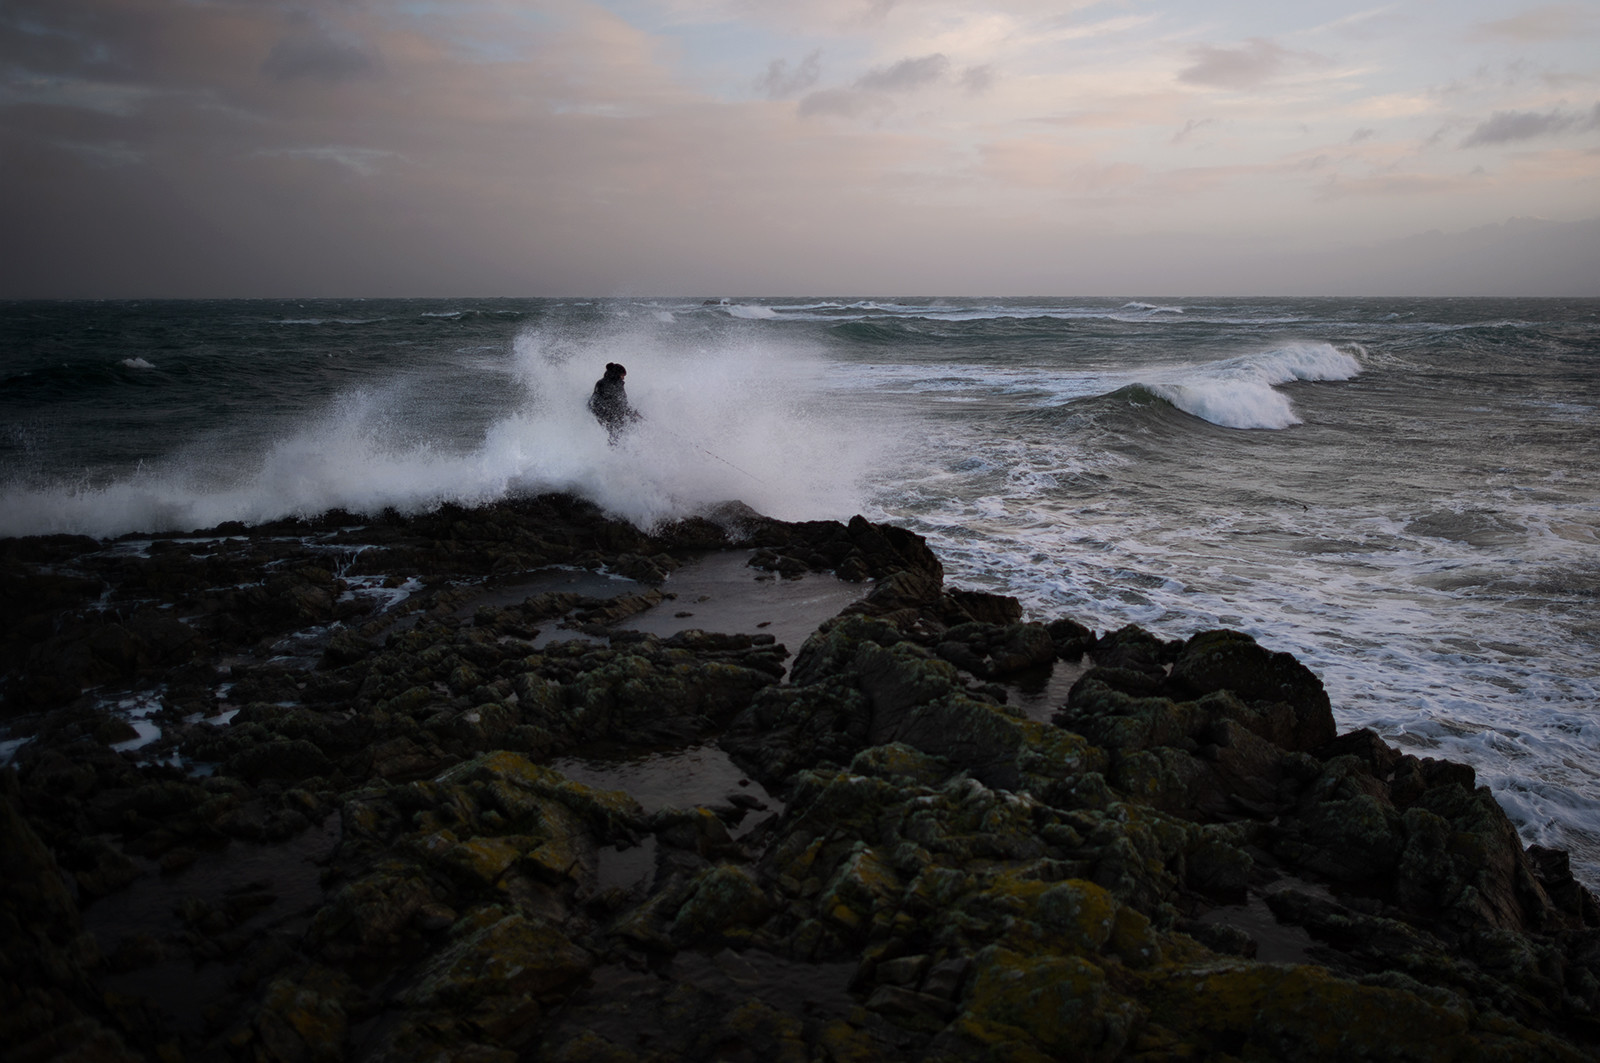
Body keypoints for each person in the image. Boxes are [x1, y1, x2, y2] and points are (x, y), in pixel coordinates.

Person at [588, 362, 642, 442]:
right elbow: (620, 403)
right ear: (618, 375)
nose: (623, 378)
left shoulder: (601, 382)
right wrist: (632, 414)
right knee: (618, 436)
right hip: (609, 417)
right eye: (623, 376)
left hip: (598, 415)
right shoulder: (615, 385)